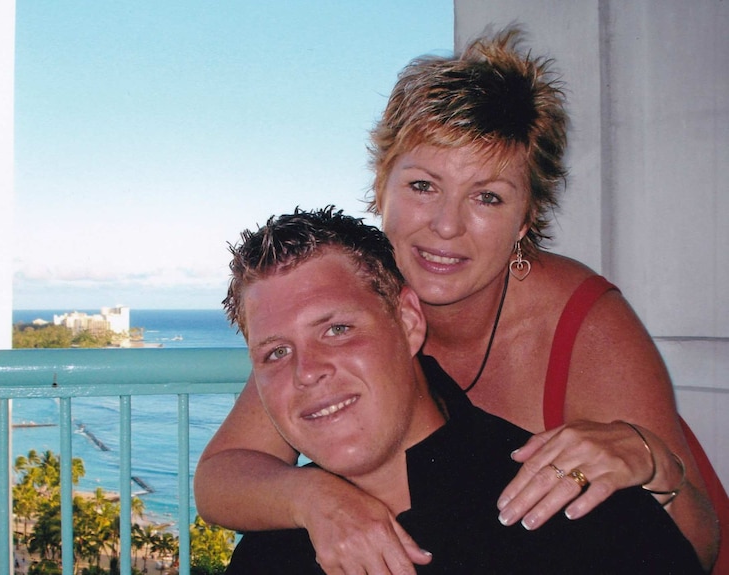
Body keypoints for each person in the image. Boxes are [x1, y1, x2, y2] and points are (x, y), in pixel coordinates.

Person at [194, 28, 720, 573]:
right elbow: (222, 476)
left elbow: (693, 548)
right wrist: (315, 497)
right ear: (382, 188)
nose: (446, 226)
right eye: (423, 186)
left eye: (487, 197)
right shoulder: (344, 316)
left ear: (526, 219)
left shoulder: (580, 323)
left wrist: (650, 459)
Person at [219, 207, 702, 574]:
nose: (307, 371)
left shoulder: (575, 512)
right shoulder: (272, 551)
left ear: (408, 321)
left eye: (338, 329)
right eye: (276, 353)